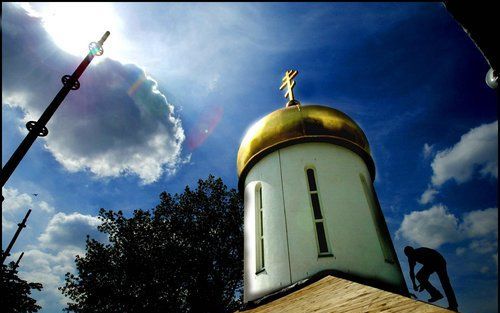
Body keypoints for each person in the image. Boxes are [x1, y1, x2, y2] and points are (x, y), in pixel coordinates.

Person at [404, 246, 458, 311]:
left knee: (445, 283)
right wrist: (414, 284)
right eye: (409, 256)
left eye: (410, 255)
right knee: (420, 276)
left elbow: (430, 264)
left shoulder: (421, 251)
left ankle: (453, 305)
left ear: (412, 251)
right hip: (431, 263)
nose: (411, 258)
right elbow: (411, 272)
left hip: (438, 260)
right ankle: (436, 294)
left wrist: (423, 282)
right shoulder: (411, 257)